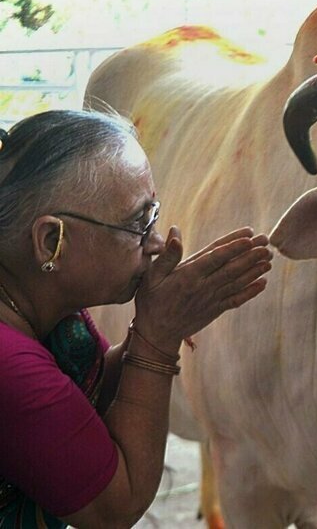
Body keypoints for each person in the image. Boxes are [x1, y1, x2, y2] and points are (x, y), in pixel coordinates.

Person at [0, 110, 273, 528]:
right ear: (52, 242)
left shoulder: (33, 296)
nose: (158, 244)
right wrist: (156, 340)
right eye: (138, 223)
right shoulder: (9, 365)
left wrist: (164, 321)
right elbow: (114, 506)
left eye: (154, 216)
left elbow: (79, 409)